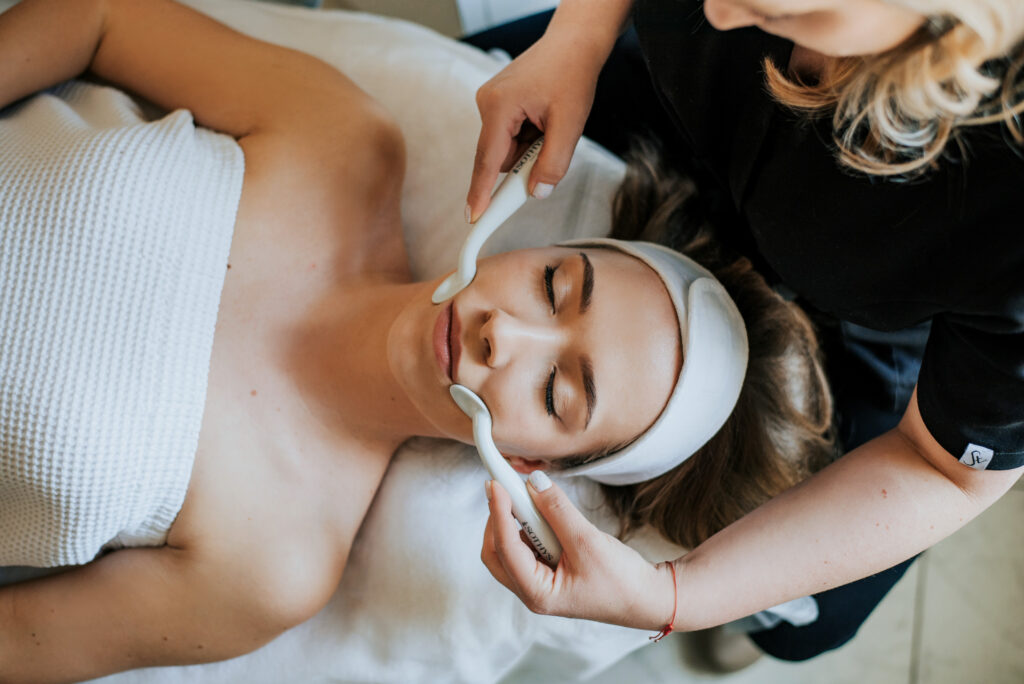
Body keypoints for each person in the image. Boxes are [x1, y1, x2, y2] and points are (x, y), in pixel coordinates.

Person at [0, 1, 834, 680]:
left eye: (557, 390)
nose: (503, 333)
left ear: (534, 465)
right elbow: (96, 19)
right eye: (553, 285)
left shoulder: (274, 569)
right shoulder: (343, 143)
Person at [469, 0, 1024, 666]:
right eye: (551, 285)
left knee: (808, 623)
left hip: (865, 315)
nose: (720, 13)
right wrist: (580, 34)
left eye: (779, 10)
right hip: (669, 112)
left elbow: (946, 470)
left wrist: (678, 596)